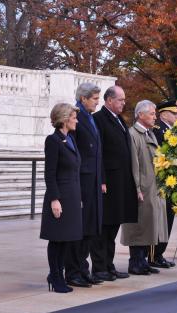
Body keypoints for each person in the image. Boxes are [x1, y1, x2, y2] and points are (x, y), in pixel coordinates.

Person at [92, 86, 137, 281]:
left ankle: (109, 265)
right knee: (104, 228)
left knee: (113, 227)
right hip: (108, 182)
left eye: (124, 100)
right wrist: (101, 179)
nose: (123, 103)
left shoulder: (119, 119)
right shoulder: (99, 119)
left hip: (121, 181)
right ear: (109, 100)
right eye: (120, 100)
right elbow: (98, 153)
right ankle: (99, 267)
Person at [121, 100, 168, 275]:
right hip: (143, 187)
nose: (155, 116)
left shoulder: (149, 134)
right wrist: (137, 188)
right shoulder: (133, 134)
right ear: (141, 115)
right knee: (139, 226)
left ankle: (142, 261)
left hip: (152, 187)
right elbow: (134, 164)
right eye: (152, 114)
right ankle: (135, 262)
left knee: (149, 225)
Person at [64, 83, 104, 288]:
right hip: (82, 181)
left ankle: (82, 268)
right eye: (95, 99)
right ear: (83, 99)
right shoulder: (75, 117)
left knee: (90, 228)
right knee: (79, 229)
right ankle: (72, 271)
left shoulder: (90, 118)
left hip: (94, 180)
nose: (98, 102)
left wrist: (101, 180)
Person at [40, 102, 82, 293]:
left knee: (67, 238)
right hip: (60, 196)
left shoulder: (70, 139)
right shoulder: (53, 140)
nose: (76, 121)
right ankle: (55, 275)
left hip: (72, 196)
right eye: (73, 118)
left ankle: (59, 273)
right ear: (64, 119)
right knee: (57, 239)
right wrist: (54, 200)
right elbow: (50, 173)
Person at [149, 99, 177, 268]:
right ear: (164, 114)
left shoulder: (172, 130)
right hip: (161, 180)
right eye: (174, 113)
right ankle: (153, 254)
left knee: (168, 217)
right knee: (160, 219)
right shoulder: (158, 130)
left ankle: (159, 253)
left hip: (171, 180)